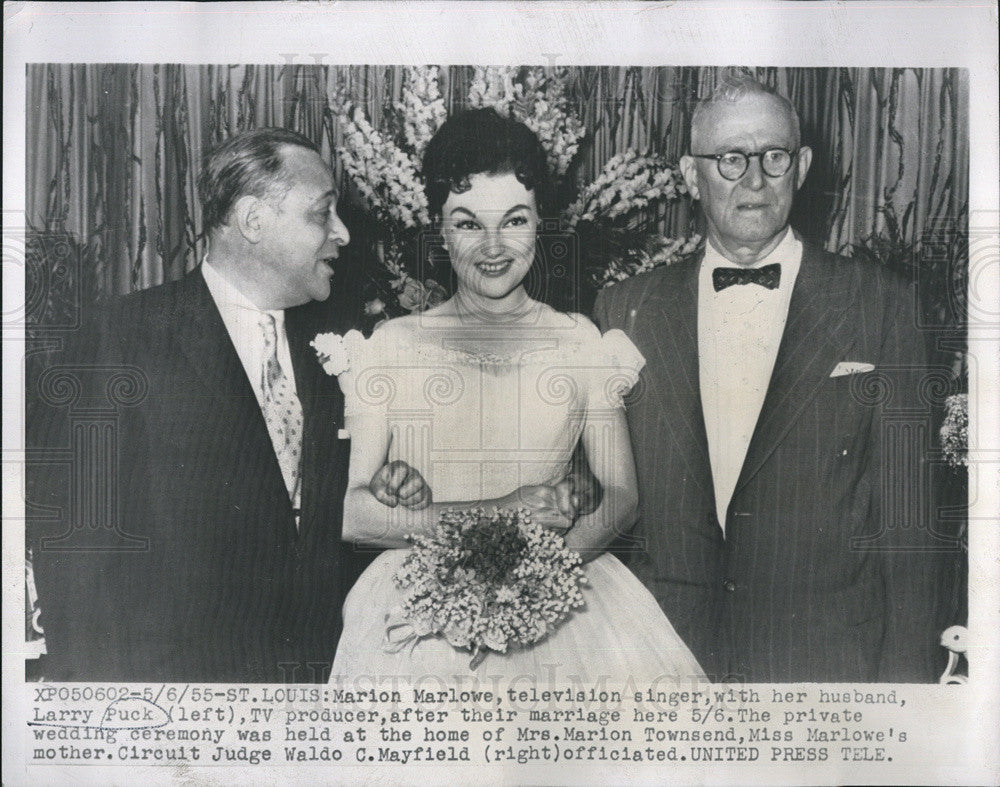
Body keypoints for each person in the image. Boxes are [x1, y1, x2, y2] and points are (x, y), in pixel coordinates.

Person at [28, 128, 429, 682]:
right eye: (322, 213)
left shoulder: (337, 346)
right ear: (253, 221)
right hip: (171, 702)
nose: (342, 233)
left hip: (311, 685)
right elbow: (73, 550)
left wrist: (382, 483)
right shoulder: (119, 338)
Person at [330, 109, 706, 685]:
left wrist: (540, 575)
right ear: (438, 227)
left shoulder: (582, 339)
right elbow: (357, 515)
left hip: (565, 598)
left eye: (514, 220)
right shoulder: (391, 345)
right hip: (418, 604)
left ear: (540, 222)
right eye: (467, 223)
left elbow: (623, 494)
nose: (492, 246)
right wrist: (502, 513)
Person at [594, 76, 946, 682]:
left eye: (773, 157)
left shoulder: (881, 305)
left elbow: (910, 526)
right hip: (660, 659)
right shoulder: (624, 310)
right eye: (730, 159)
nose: (753, 180)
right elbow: (599, 492)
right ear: (689, 173)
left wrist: (908, 703)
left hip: (825, 663)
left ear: (802, 166)